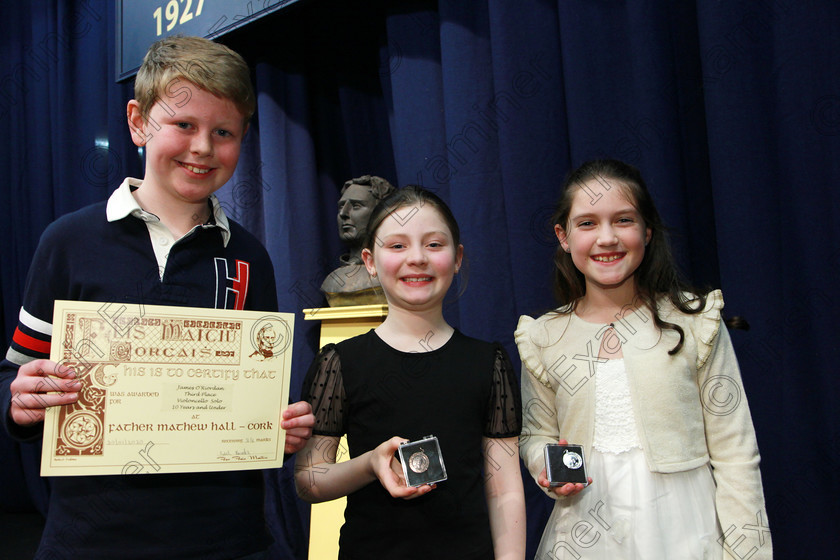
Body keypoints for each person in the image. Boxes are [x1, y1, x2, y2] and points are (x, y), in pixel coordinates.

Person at [0, 36, 314, 559]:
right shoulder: (68, 241)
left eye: (224, 132)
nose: (202, 148)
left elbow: (252, 389)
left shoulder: (249, 257)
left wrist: (273, 427)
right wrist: (20, 400)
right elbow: (14, 375)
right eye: (184, 125)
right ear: (138, 121)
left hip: (225, 539)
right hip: (92, 539)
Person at [517, 159, 771, 559]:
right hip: (587, 531)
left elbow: (736, 452)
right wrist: (544, 467)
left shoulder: (694, 321)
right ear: (562, 236)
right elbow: (537, 434)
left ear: (647, 231)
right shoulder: (543, 336)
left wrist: (748, 552)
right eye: (587, 224)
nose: (606, 238)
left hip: (687, 531)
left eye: (623, 220)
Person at [296, 186, 526, 559]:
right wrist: (370, 463)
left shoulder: (489, 362)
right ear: (370, 260)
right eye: (397, 246)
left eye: (434, 245)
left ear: (457, 257)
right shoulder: (338, 362)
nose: (417, 258)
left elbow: (505, 489)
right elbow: (309, 480)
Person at [320, 175, 395, 306]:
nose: (343, 213)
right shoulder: (333, 282)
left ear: (382, 214)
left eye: (356, 206)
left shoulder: (396, 276)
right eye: (341, 207)